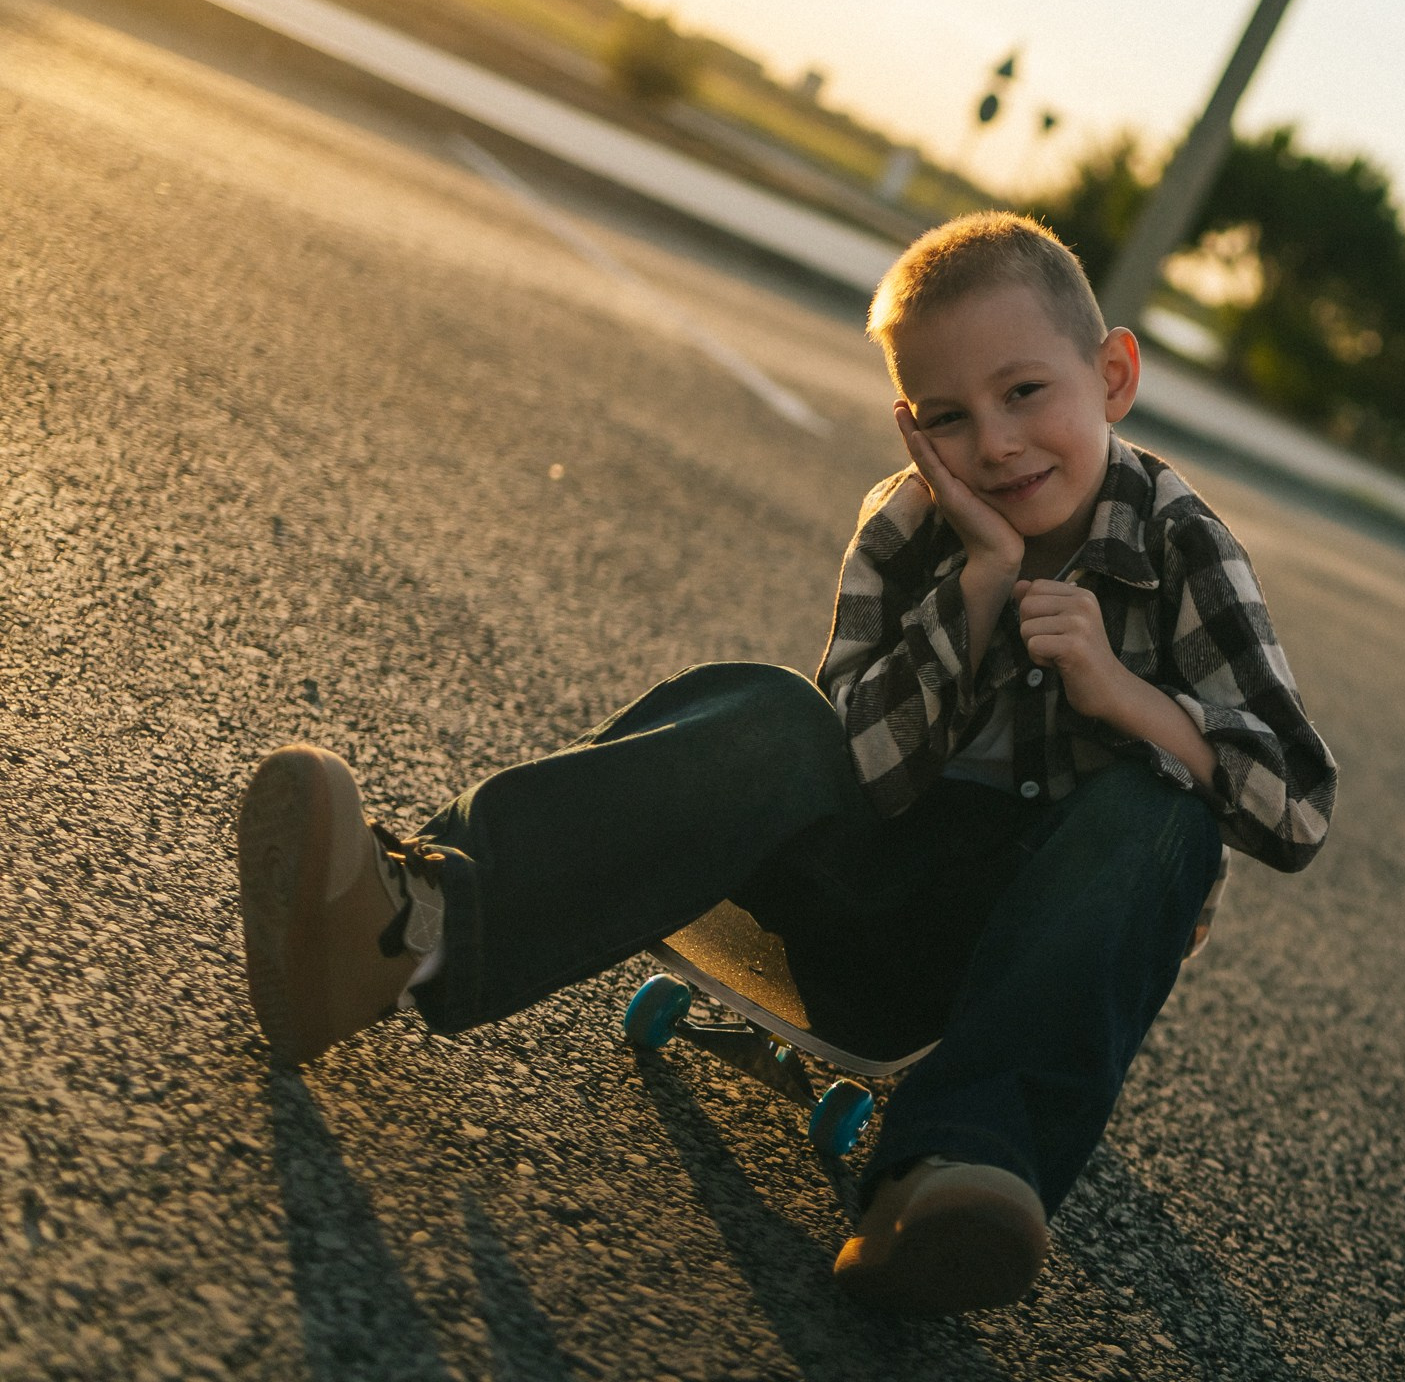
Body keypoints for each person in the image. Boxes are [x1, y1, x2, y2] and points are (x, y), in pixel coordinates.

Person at [232, 211, 1338, 1317]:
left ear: (1113, 374)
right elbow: (848, 772)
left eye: (1025, 393)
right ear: (912, 428)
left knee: (1168, 811)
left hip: (1009, 972)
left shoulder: (1181, 541)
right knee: (775, 710)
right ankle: (402, 926)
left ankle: (943, 1184)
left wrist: (1129, 698)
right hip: (845, 908)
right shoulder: (909, 529)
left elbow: (1296, 809)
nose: (995, 445)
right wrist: (981, 586)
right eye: (949, 418)